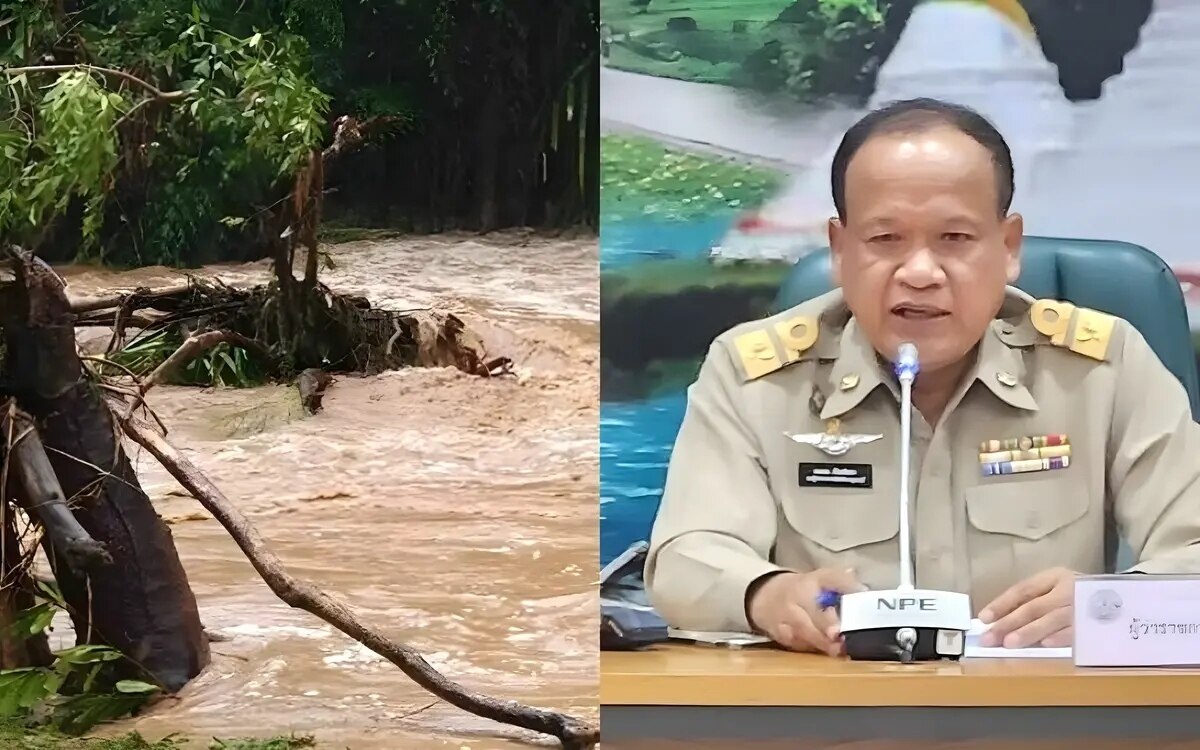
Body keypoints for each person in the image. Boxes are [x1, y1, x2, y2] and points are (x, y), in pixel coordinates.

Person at [644, 97, 1200, 658]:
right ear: (839, 250)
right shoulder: (753, 375)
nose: (919, 272)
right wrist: (767, 596)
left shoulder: (1101, 368)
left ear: (1008, 248)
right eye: (885, 240)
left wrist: (1110, 606)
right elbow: (688, 556)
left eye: (954, 239)